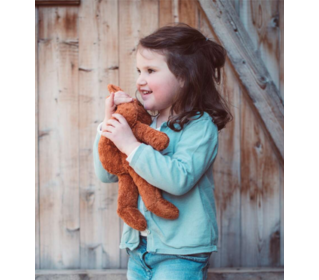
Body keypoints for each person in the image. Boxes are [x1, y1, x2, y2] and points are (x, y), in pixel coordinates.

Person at [93, 22, 233, 280]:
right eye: (139, 70)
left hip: (182, 253)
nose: (140, 80)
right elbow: (108, 174)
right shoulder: (143, 124)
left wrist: (130, 145)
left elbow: (179, 180)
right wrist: (108, 126)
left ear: (184, 77)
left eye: (151, 70)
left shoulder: (200, 126)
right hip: (139, 249)